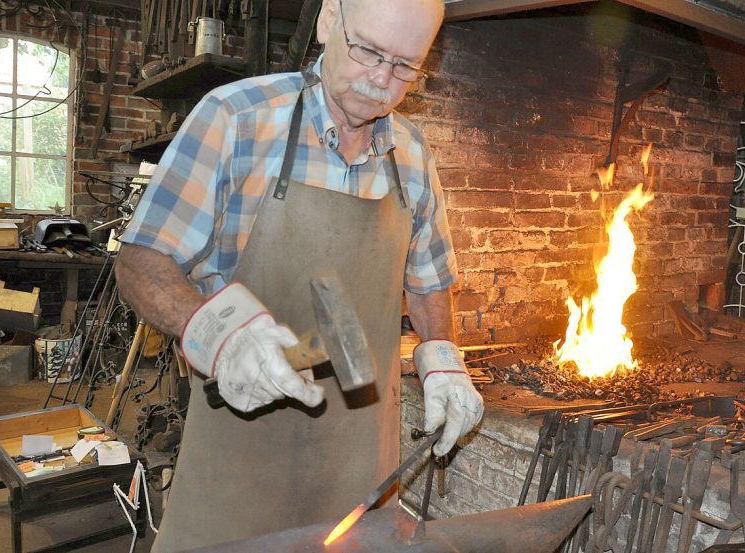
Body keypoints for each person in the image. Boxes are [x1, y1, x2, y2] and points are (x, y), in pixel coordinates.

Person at [114, 0, 483, 549]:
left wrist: (442, 357)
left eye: (405, 66)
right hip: (239, 460)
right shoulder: (236, 118)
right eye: (367, 51)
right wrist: (214, 332)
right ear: (329, 21)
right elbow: (140, 260)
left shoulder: (412, 154)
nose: (381, 80)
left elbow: (428, 279)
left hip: (359, 469)